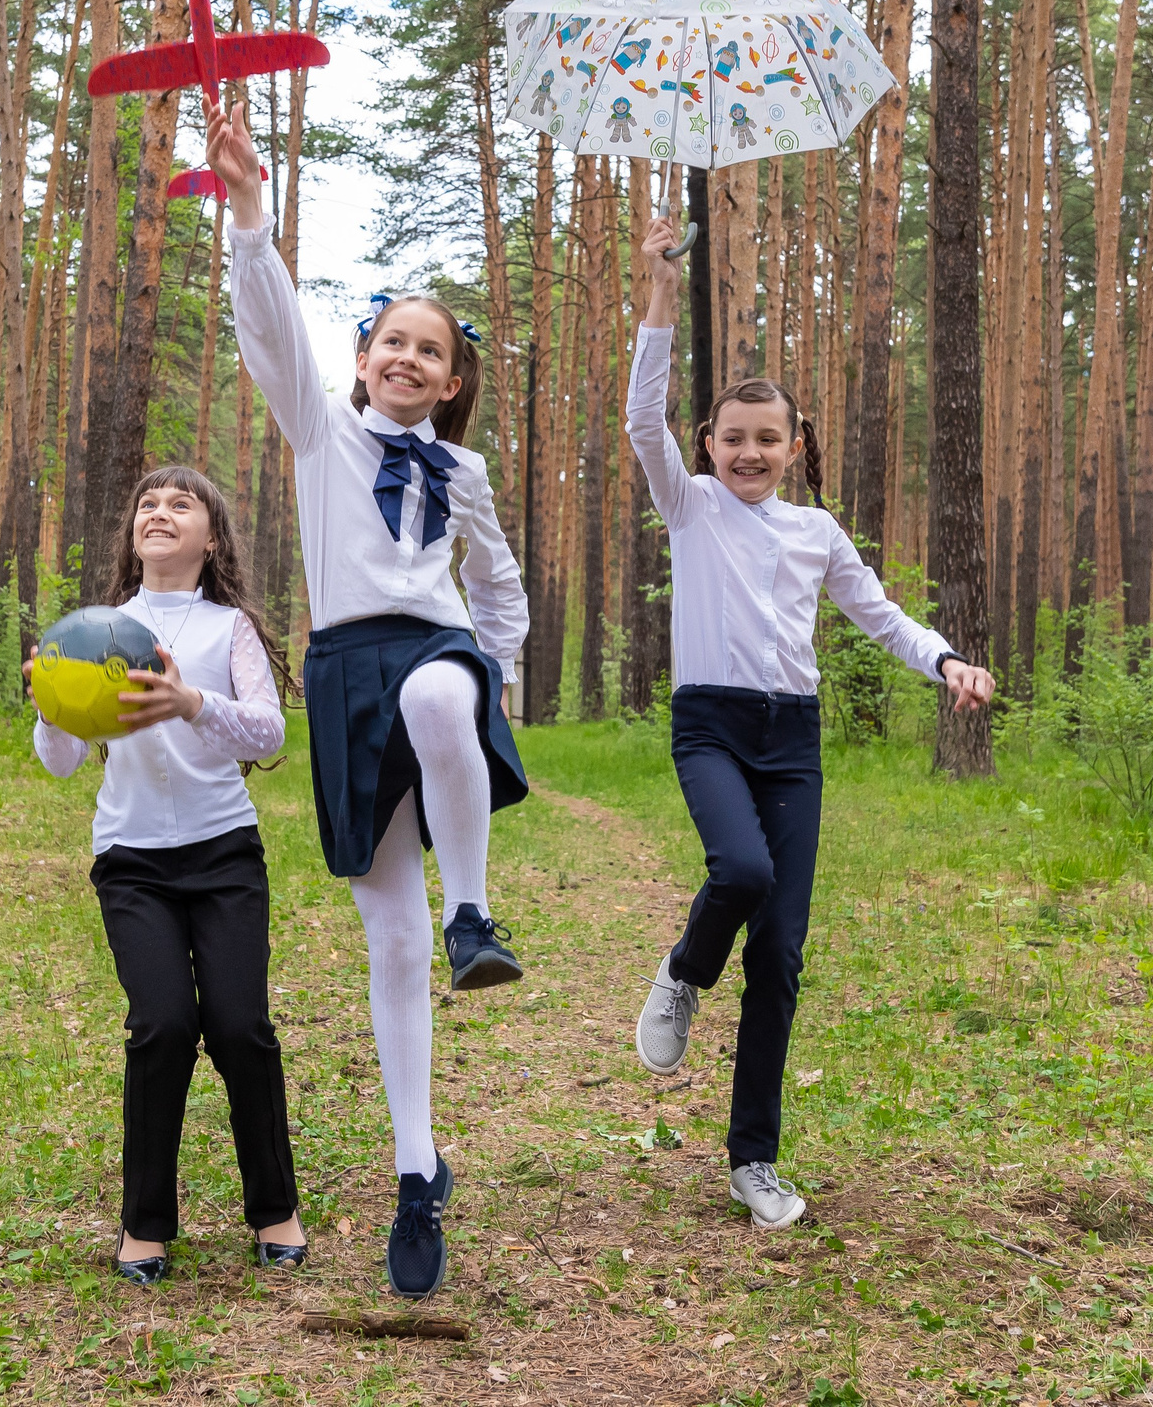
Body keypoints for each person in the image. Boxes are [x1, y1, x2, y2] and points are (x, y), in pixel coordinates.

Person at [205, 91, 529, 1300]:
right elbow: (269, 331)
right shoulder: (319, 434)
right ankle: (414, 1168)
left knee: (447, 704)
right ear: (363, 358)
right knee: (385, 941)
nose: (406, 358)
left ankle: (478, 916)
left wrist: (496, 665)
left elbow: (494, 586)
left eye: (430, 351)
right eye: (389, 340)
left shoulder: (468, 469)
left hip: (432, 648)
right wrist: (249, 213)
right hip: (344, 671)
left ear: (451, 383)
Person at [622, 216, 995, 1232]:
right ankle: (683, 971)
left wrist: (947, 659)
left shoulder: (814, 531)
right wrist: (660, 295)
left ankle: (753, 1157)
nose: (747, 451)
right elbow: (637, 418)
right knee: (738, 873)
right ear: (706, 445)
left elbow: (879, 616)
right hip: (708, 727)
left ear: (795, 445)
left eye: (765, 438)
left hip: (792, 740)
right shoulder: (689, 504)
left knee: (780, 955)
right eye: (730, 437)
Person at [27, 465, 309, 1285]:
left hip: (225, 856)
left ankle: (275, 1209)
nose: (159, 510)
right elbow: (60, 761)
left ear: (210, 537)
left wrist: (191, 702)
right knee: (161, 1026)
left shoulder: (228, 630)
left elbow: (265, 730)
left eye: (180, 503)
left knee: (238, 1027)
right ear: (133, 534)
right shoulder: (94, 628)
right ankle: (144, 1224)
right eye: (147, 502)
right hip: (132, 861)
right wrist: (49, 704)